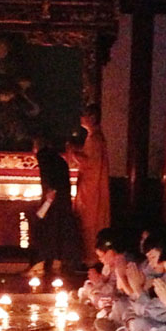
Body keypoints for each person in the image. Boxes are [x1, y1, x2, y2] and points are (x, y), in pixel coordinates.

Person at [103, 231, 166, 331]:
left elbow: (160, 313)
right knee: (125, 309)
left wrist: (135, 287)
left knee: (139, 323)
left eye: (153, 257)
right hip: (153, 315)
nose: (151, 263)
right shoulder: (154, 270)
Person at [27, 136, 81, 276]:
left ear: (36, 148)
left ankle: (39, 264)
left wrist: (48, 199)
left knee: (43, 230)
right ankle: (56, 264)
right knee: (58, 232)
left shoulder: (44, 157)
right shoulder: (58, 159)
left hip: (52, 201)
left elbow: (48, 180)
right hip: (63, 203)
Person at [67, 104, 110, 266]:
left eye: (84, 115)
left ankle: (91, 257)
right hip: (89, 186)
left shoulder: (95, 138)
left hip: (91, 189)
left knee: (89, 223)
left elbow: (90, 163)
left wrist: (73, 152)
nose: (81, 118)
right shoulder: (93, 137)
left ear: (92, 118)